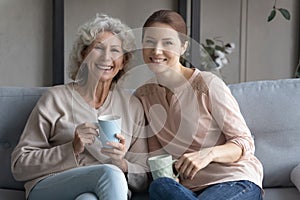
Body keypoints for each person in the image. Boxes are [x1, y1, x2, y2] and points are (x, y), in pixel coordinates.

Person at [11, 13, 149, 200]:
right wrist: (72, 148)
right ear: (83, 55)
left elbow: (144, 175)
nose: (106, 57)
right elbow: (20, 165)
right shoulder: (55, 98)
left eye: (115, 50)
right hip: (51, 186)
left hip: (104, 189)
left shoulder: (132, 105)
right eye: (98, 48)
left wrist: (121, 163)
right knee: (109, 173)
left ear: (123, 61)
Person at [134, 10, 263, 200]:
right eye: (150, 42)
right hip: (186, 189)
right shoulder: (144, 95)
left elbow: (244, 142)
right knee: (159, 185)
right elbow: (155, 156)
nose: (157, 51)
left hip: (233, 179)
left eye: (167, 43)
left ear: (183, 47)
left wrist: (207, 155)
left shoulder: (208, 84)